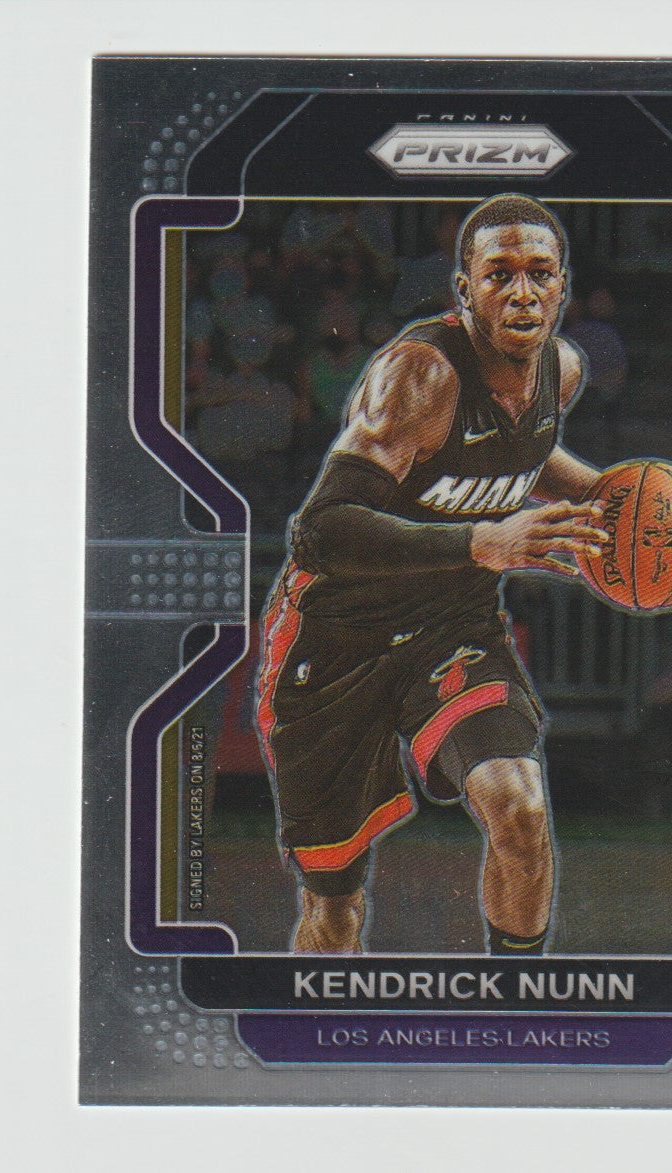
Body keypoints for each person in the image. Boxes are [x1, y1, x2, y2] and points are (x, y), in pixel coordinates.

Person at [256, 193, 605, 955]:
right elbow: (321, 529)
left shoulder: (562, 370)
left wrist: (604, 496)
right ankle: (316, 1018)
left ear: (562, 287)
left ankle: (516, 1003)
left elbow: (521, 449)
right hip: (336, 637)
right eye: (500, 274)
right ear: (465, 289)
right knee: (337, 913)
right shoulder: (421, 374)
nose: (522, 292)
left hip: (451, 627)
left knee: (520, 811)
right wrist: (483, 541)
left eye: (540, 273)